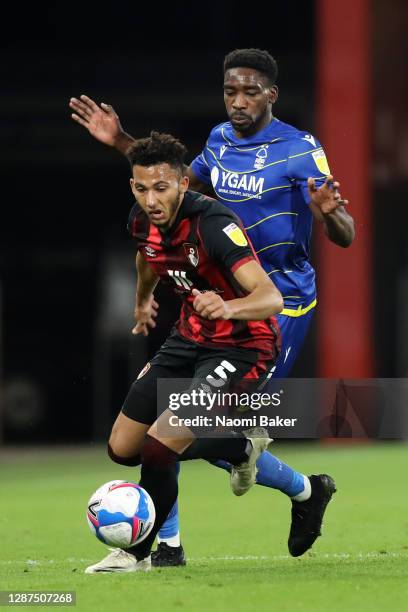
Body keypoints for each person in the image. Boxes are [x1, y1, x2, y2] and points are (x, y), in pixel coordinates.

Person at [70, 48, 345, 565]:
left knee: (185, 431)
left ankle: (162, 544)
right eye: (229, 92)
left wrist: (331, 217)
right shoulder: (217, 143)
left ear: (271, 94)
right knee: (170, 435)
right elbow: (169, 188)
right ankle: (294, 487)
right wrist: (122, 142)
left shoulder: (301, 149)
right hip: (208, 308)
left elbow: (344, 234)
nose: (237, 102)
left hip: (275, 307)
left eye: (249, 91)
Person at [85, 130, 285, 572]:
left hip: (244, 345)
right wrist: (142, 301)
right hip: (189, 339)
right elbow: (146, 257)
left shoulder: (212, 224)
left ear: (182, 182)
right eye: (141, 189)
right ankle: (239, 448)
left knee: (159, 447)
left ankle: (138, 554)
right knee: (122, 448)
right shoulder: (140, 220)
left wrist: (229, 305)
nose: (151, 199)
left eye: (161, 187)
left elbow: (271, 299)